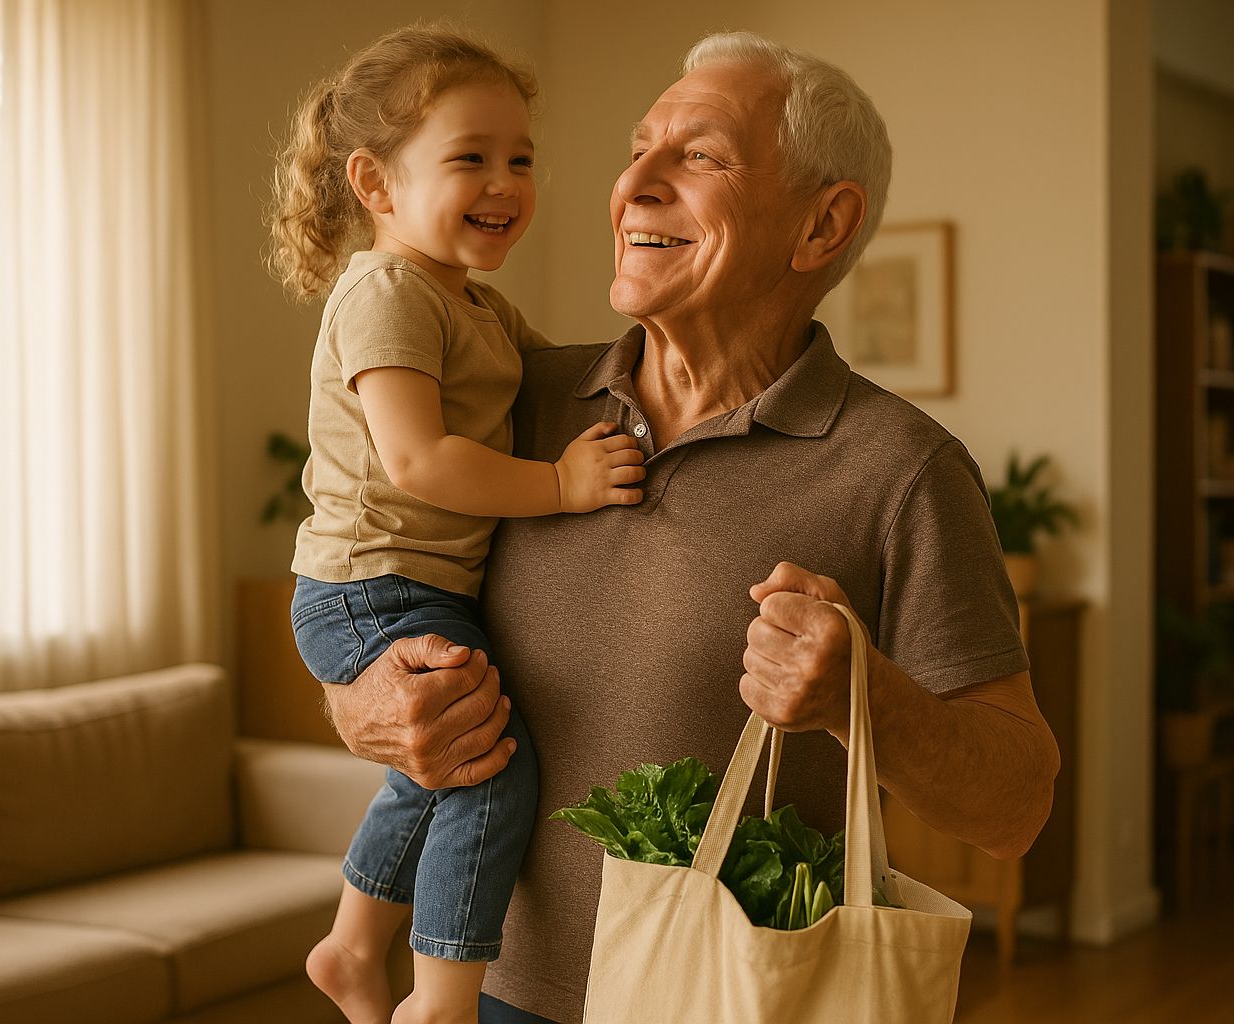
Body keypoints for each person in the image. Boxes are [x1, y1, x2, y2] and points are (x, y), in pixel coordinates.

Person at [321, 30, 1062, 1024]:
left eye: (699, 154)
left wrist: (864, 696)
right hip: (484, 999)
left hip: (729, 1004)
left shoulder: (902, 470)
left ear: (821, 225)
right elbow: (363, 590)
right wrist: (365, 704)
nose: (635, 185)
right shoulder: (512, 404)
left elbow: (1015, 806)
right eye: (637, 151)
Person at [268, 25, 644, 1024]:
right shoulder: (389, 292)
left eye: (520, 157)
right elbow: (419, 459)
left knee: (439, 764)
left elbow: (568, 372)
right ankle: (439, 1002)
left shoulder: (472, 304)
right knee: (490, 770)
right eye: (469, 156)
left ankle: (351, 949)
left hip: (410, 586)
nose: (505, 179)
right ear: (376, 184)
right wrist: (562, 486)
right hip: (366, 586)